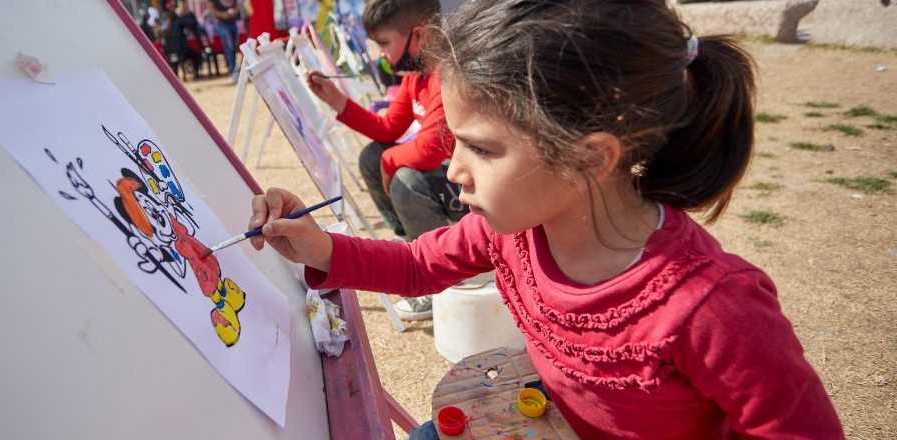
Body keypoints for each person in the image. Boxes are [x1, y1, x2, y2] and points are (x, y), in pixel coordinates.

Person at [249, 0, 843, 438]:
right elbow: (415, 264)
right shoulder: (511, 231)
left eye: (480, 148)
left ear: (588, 157)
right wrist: (320, 247)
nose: (452, 170)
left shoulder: (714, 307)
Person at [306, 0, 468, 320]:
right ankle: (409, 244)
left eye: (384, 44)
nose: (381, 54)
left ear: (418, 36)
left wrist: (391, 161)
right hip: (445, 176)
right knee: (372, 156)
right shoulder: (415, 75)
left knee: (405, 177)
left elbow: (431, 148)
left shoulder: (446, 74)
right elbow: (388, 127)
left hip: (466, 187)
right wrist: (337, 100)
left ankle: (438, 278)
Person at [204, 0, 241, 82]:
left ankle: (235, 70)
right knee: (229, 47)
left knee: (234, 48)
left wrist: (234, 12)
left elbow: (238, 5)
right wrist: (223, 15)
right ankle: (233, 71)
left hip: (232, 22)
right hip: (221, 23)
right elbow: (211, 10)